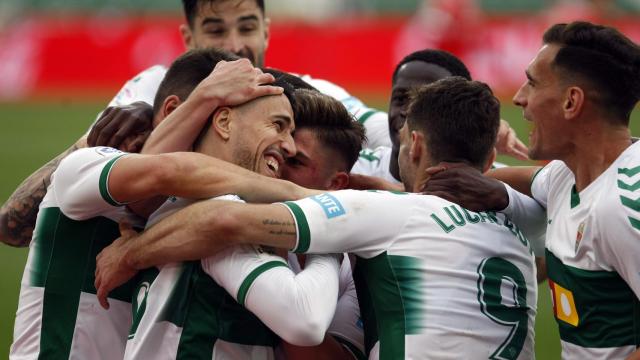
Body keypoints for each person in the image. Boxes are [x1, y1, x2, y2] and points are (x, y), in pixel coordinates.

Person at [96, 77, 538, 359]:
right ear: (492, 157)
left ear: (416, 146)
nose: (280, 162)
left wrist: (131, 252)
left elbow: (221, 222)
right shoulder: (524, 225)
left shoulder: (382, 217)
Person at [8, 48, 308, 360]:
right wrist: (303, 196)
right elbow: (169, 172)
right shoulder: (89, 165)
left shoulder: (187, 206)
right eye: (216, 115)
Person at [422, 21, 640, 359]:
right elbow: (516, 179)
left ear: (571, 102)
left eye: (533, 83)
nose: (518, 98)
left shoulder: (623, 208)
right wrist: (422, 185)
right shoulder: (566, 175)